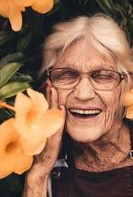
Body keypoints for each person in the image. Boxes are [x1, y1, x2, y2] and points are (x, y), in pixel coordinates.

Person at [23, 13, 133, 197]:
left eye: (102, 76)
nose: (83, 94)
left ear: (127, 85)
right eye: (67, 75)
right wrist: (40, 170)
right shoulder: (36, 158)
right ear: (48, 87)